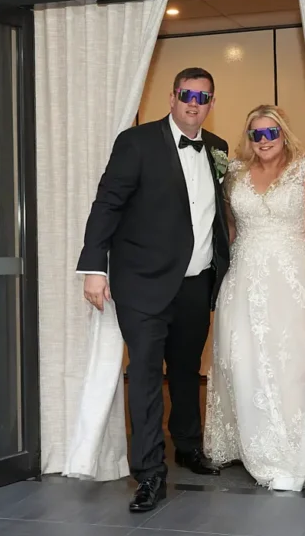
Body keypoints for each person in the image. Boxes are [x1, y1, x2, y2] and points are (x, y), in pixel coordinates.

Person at [77, 67, 230, 513]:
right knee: (145, 373)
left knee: (185, 370)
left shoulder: (217, 149)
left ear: (211, 103)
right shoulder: (137, 142)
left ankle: (187, 445)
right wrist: (93, 267)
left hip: (197, 282)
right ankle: (149, 473)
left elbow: (217, 217)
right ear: (172, 96)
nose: (193, 103)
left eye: (203, 97)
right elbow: (107, 203)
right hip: (142, 282)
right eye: (187, 94)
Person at [205, 105, 305, 490]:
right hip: (243, 279)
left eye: (271, 133)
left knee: (289, 361)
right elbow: (229, 229)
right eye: (256, 134)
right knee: (242, 360)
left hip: (292, 279)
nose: (264, 141)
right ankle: (248, 442)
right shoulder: (235, 172)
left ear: (284, 133)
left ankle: (292, 448)